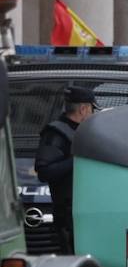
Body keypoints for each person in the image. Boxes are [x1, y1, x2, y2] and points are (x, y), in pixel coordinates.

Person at [34, 86, 99, 254]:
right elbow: (45, 172)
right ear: (84, 109)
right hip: (68, 217)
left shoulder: (83, 131)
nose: (93, 114)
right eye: (92, 109)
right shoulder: (56, 133)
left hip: (86, 212)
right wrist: (78, 160)